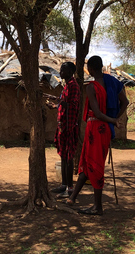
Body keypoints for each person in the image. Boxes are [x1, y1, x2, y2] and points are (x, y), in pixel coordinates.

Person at [65, 56, 128, 215]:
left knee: (95, 165)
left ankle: (98, 207)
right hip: (105, 129)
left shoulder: (91, 87)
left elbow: (98, 113)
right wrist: (115, 119)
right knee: (87, 162)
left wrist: (113, 120)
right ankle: (72, 197)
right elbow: (125, 102)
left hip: (96, 128)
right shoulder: (113, 82)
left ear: (91, 69)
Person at [47, 62, 81, 198]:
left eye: (64, 70)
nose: (60, 72)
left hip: (69, 126)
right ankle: (63, 185)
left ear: (71, 72)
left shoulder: (73, 86)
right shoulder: (66, 85)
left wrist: (59, 102)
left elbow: (72, 106)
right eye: (60, 69)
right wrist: (56, 104)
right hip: (63, 125)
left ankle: (70, 188)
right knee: (63, 155)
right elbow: (64, 103)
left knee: (68, 157)